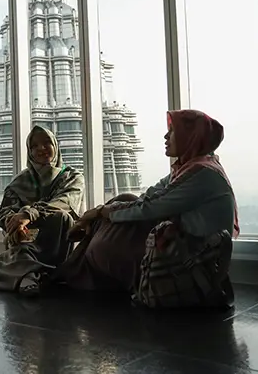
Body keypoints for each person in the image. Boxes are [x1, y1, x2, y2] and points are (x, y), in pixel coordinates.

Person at [59, 109, 239, 308]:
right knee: (122, 200)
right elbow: (147, 197)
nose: (165, 136)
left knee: (102, 244)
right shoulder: (187, 168)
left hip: (190, 261)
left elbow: (150, 207)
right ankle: (76, 269)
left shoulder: (202, 173)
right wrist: (99, 212)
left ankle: (72, 270)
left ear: (190, 137)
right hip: (179, 246)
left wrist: (98, 213)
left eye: (172, 132)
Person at [0, 125, 84, 296]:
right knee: (22, 239)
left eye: (46, 143)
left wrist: (28, 214)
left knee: (61, 217)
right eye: (34, 146)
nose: (41, 149)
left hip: (58, 238)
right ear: (29, 151)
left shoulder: (72, 177)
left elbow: (64, 202)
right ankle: (35, 274)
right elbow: (5, 212)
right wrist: (15, 222)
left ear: (55, 146)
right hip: (26, 236)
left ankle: (22, 272)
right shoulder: (20, 181)